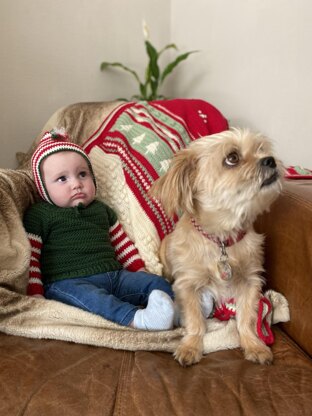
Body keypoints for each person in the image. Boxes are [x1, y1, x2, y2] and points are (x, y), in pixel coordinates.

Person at [24, 128, 176, 331]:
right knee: (94, 300)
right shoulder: (40, 215)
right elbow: (32, 258)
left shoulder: (101, 210)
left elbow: (123, 245)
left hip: (116, 276)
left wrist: (139, 270)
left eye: (82, 174)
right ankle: (138, 319)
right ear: (43, 187)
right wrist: (36, 292)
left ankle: (181, 310)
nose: (77, 184)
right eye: (62, 179)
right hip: (68, 282)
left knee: (155, 283)